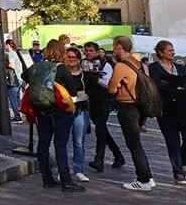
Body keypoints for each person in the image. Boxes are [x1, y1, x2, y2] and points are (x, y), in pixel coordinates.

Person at [27, 40, 83, 193]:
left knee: (43, 143)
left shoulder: (36, 66)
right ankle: (66, 180)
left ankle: (47, 178)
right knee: (60, 145)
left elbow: (25, 76)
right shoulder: (62, 69)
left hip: (41, 109)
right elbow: (72, 91)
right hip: (60, 111)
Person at [148, 40, 186, 185]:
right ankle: (178, 171)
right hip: (167, 110)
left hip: (185, 108)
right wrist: (176, 85)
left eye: (173, 50)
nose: (173, 52)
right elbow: (158, 85)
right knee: (173, 142)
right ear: (160, 52)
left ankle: (184, 163)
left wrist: (171, 83)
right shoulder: (154, 68)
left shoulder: (180, 67)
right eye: (170, 50)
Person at [109, 36, 154, 191]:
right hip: (140, 105)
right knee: (137, 144)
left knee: (133, 144)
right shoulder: (138, 63)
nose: (113, 50)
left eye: (114, 46)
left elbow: (111, 88)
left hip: (127, 106)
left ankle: (143, 179)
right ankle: (148, 176)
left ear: (119, 47)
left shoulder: (121, 66)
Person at [82, 42, 125, 172]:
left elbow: (109, 83)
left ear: (96, 52)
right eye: (86, 50)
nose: (88, 53)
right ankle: (118, 155)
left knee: (100, 129)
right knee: (102, 129)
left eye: (91, 50)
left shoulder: (105, 64)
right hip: (90, 100)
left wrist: (95, 79)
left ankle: (99, 159)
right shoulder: (83, 64)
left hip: (103, 100)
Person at [64, 46, 93, 183]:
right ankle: (63, 170)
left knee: (79, 142)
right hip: (64, 111)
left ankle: (78, 169)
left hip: (81, 110)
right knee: (62, 142)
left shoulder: (84, 75)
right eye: (68, 57)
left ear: (78, 59)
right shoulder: (62, 73)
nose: (71, 60)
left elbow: (90, 92)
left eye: (73, 57)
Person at [5, 38, 31, 123]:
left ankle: (17, 117)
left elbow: (12, 65)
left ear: (8, 45)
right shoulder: (16, 53)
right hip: (20, 78)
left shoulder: (11, 54)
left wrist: (5, 64)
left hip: (14, 78)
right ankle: (20, 115)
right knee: (17, 97)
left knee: (13, 98)